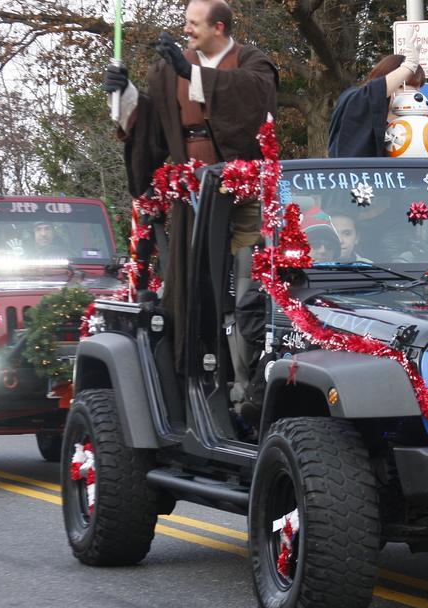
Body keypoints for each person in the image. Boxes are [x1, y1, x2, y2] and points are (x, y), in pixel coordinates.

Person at [102, 0, 278, 382]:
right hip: (190, 195)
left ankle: (245, 375)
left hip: (242, 196)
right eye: (185, 23)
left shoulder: (251, 61)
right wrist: (125, 93)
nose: (186, 31)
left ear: (219, 28)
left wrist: (195, 75)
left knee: (243, 280)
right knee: (190, 282)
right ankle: (194, 371)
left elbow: (254, 98)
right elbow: (154, 120)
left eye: (193, 24)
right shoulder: (170, 67)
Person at [328, 45, 425, 157]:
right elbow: (365, 98)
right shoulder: (353, 99)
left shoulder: (410, 128)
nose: (414, 94)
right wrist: (406, 69)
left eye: (418, 88)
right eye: (401, 86)